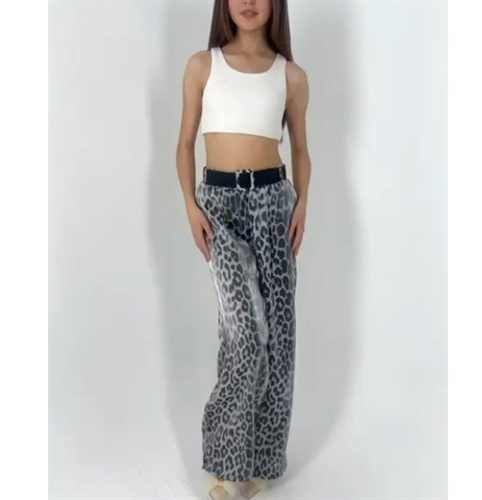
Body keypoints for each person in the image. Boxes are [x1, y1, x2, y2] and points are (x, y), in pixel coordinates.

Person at [176, 1, 310, 498]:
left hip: (274, 203)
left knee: (280, 335)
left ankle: (262, 462)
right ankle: (223, 461)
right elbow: (184, 142)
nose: (249, 2)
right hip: (219, 204)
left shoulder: (291, 76)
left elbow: (301, 149)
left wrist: (302, 203)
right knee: (246, 332)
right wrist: (191, 206)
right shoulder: (202, 65)